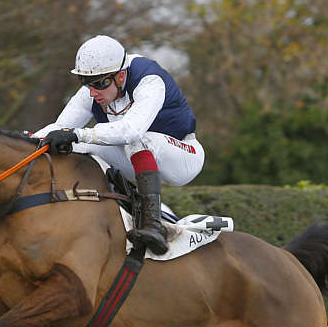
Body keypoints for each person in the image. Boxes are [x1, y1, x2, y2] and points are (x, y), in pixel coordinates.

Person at [33, 35, 204, 255]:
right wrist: (21, 142)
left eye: (99, 84)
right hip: (138, 159)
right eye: (86, 83)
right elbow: (60, 127)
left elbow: (131, 130)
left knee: (135, 140)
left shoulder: (149, 79)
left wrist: (77, 134)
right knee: (75, 149)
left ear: (121, 75)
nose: (92, 92)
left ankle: (152, 226)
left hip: (183, 156)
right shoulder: (95, 88)